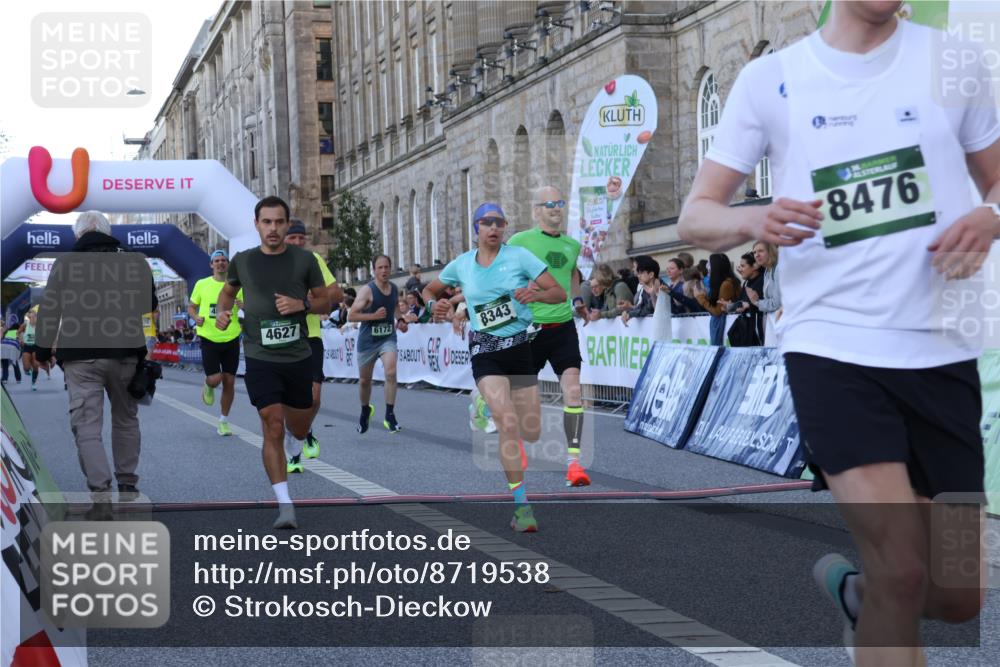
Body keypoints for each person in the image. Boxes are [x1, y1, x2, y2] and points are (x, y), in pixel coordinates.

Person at [677, 1, 999, 663]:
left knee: (960, 593)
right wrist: (756, 218)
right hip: (833, 350)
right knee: (903, 570)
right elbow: (696, 216)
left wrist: (990, 216)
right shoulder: (772, 79)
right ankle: (881, 591)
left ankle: (859, 596)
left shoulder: (955, 63)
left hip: (941, 348)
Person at [422, 202, 566, 532]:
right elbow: (429, 290)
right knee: (509, 424)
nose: (494, 228)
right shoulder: (461, 265)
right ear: (476, 228)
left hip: (519, 349)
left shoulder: (519, 257)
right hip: (484, 350)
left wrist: (536, 295)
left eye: (499, 222)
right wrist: (436, 303)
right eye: (487, 223)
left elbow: (558, 292)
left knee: (532, 431)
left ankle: (484, 403)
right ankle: (522, 509)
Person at [214, 196, 330, 529]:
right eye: (267, 222)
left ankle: (301, 435)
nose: (273, 228)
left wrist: (302, 305)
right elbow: (227, 293)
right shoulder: (243, 261)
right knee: (271, 423)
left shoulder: (305, 260)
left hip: (297, 355)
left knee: (296, 424)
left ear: (286, 223)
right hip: (258, 354)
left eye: (279, 222)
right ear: (257, 225)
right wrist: (224, 312)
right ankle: (285, 504)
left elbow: (325, 302)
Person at [33, 211, 157, 518]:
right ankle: (127, 485)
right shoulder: (134, 260)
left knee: (87, 426)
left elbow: (50, 309)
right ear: (107, 231)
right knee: (126, 419)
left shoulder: (64, 263)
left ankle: (101, 495)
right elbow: (148, 305)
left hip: (80, 355)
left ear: (79, 236)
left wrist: (42, 349)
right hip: (126, 352)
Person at [509, 186, 590, 487]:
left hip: (563, 328)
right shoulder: (520, 240)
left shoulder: (571, 245)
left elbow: (572, 279)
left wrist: (579, 303)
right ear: (537, 210)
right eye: (550, 203)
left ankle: (574, 464)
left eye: (560, 202)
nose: (557, 208)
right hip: (530, 329)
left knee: (573, 392)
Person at [284, 219, 343, 462]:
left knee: (314, 398)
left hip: (311, 335)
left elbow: (336, 293)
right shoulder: (272, 264)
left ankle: (304, 431)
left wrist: (309, 298)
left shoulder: (314, 261)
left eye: (301, 238)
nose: (298, 242)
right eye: (292, 238)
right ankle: (295, 445)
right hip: (285, 337)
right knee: (290, 398)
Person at [349, 254, 406, 434]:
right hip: (367, 342)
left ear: (390, 268)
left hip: (387, 338)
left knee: (391, 371)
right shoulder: (367, 291)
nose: (384, 271)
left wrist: (401, 320)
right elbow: (351, 315)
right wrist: (372, 316)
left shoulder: (395, 289)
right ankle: (365, 410)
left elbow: (395, 307)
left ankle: (390, 414)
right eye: (380, 267)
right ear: (374, 270)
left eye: (386, 267)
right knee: (365, 381)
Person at [189, 250, 244, 436]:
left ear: (228, 264)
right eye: (217, 261)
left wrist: (243, 305)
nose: (220, 263)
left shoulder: (237, 285)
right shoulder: (202, 284)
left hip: (231, 336)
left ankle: (223, 421)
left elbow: (247, 305)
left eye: (223, 260)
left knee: (229, 381)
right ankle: (208, 384)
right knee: (215, 379)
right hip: (209, 337)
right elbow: (191, 306)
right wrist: (195, 317)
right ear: (211, 265)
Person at [695, 253, 741, 346]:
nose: (707, 268)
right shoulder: (725, 282)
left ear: (716, 266)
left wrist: (700, 298)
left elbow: (717, 311)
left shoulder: (726, 284)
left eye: (709, 264)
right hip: (722, 323)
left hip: (723, 325)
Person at [747, 240, 782, 345]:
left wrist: (757, 302)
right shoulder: (767, 270)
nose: (756, 255)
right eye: (754, 252)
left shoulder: (778, 268)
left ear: (770, 252)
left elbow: (777, 303)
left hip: (782, 322)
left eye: (760, 251)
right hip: (772, 321)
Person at [621, 256, 661, 326]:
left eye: (641, 273)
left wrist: (630, 314)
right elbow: (640, 306)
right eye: (638, 273)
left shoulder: (660, 287)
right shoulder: (645, 288)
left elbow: (648, 309)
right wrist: (627, 311)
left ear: (651, 274)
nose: (638, 276)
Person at [1, 319, 22, 384]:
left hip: (3, 347)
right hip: (12, 348)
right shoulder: (18, 332)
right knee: (15, 363)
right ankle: (18, 379)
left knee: (4, 364)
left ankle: (4, 379)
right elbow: (21, 342)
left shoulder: (7, 331)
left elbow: (2, 338)